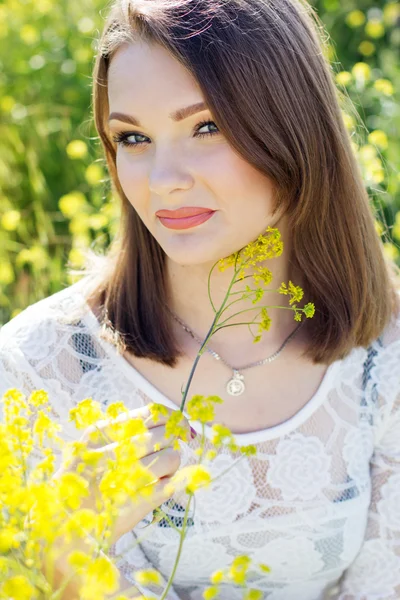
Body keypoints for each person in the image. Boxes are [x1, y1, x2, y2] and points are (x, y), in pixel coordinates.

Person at [1, 0, 400, 598]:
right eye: (132, 137)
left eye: (206, 127)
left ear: (295, 128)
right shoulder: (33, 369)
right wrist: (68, 553)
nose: (162, 179)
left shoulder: (385, 349)